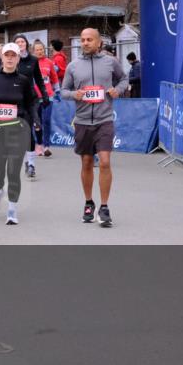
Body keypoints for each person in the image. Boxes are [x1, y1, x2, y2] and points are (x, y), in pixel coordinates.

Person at [61, 28, 128, 227]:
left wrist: (117, 90)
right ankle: (89, 203)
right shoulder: (73, 66)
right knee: (87, 162)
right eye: (82, 40)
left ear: (99, 42)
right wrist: (75, 95)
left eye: (89, 39)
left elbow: (124, 79)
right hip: (82, 121)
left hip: (104, 119)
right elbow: (63, 91)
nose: (85, 43)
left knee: (105, 162)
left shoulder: (110, 62)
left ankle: (105, 207)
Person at [0, 43, 40, 225]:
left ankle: (12, 210)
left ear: (18, 58)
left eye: (14, 55)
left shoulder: (23, 80)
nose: (10, 58)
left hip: (17, 130)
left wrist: (35, 119)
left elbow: (32, 102)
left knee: (13, 171)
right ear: (1, 56)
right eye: (7, 55)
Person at [12, 35, 50, 180]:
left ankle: (31, 163)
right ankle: (25, 160)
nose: (20, 44)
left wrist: (45, 94)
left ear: (26, 44)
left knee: (29, 131)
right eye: (17, 42)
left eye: (22, 41)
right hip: (14, 99)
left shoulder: (33, 60)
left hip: (30, 100)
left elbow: (39, 79)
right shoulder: (11, 59)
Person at [33, 41, 60, 158]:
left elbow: (54, 77)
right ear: (33, 51)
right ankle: (38, 144)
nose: (40, 51)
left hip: (48, 96)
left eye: (41, 49)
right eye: (37, 49)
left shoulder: (49, 62)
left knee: (47, 120)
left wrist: (57, 91)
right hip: (34, 97)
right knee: (37, 122)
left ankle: (47, 146)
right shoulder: (31, 63)